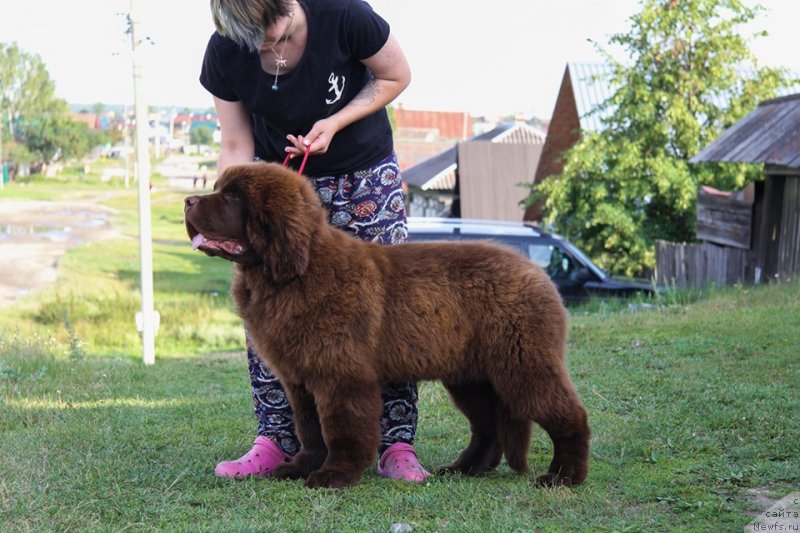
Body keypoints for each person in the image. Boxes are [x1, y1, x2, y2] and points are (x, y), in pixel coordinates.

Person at [200, 0, 430, 482]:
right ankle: (277, 440)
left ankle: (395, 443)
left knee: (389, 310)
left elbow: (395, 75)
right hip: (277, 194)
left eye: (266, 31)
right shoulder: (225, 49)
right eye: (247, 37)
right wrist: (221, 216)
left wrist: (336, 121)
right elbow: (236, 145)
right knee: (266, 309)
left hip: (364, 179)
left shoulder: (344, 14)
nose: (260, 45)